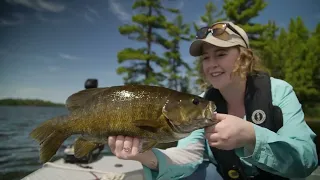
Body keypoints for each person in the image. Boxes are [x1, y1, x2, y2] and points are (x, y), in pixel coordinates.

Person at [107, 21, 318, 180]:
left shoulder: (279, 91)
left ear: (244, 57)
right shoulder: (200, 105)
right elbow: (189, 154)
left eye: (221, 54)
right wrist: (145, 156)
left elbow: (306, 158)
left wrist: (251, 136)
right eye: (206, 58)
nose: (211, 64)